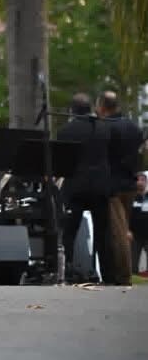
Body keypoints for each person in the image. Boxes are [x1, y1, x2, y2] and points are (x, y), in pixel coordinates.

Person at [58, 93, 112, 282]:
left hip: (76, 186)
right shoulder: (104, 129)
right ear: (90, 108)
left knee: (70, 231)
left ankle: (67, 269)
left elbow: (62, 161)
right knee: (102, 232)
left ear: (72, 110)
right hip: (100, 186)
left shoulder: (66, 131)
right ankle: (105, 272)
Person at [98, 91, 145, 285]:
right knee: (124, 228)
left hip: (113, 186)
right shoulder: (134, 127)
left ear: (102, 106)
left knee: (119, 233)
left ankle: (123, 276)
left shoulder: (105, 128)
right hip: (130, 184)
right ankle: (122, 272)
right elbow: (138, 155)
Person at [131, 172, 148, 274]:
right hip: (135, 236)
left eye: (143, 180)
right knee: (133, 263)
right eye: (138, 180)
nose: (140, 182)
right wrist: (127, 230)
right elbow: (126, 216)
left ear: (146, 182)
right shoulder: (131, 198)